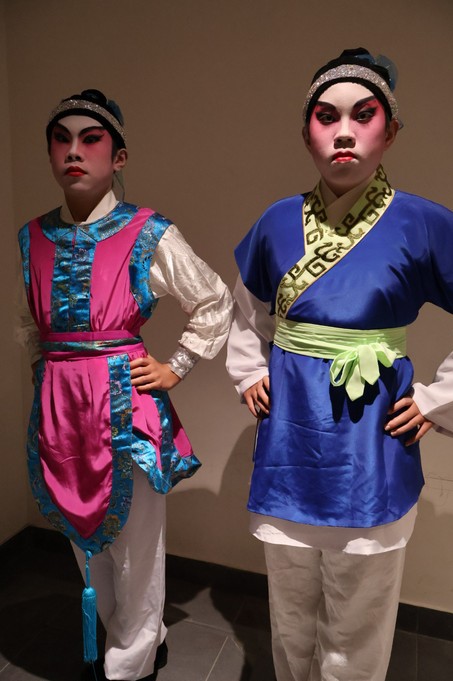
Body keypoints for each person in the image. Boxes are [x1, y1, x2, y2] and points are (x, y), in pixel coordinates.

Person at [226, 48, 453, 681]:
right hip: (291, 434)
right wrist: (249, 370)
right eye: (327, 117)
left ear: (391, 130)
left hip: (371, 439)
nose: (345, 132)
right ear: (307, 134)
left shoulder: (423, 223)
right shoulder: (277, 221)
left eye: (364, 115)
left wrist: (438, 400)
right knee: (290, 606)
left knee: (359, 614)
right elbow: (247, 310)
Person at [16, 88, 232, 681]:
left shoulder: (146, 231)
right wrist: (47, 376)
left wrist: (176, 366)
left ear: (119, 157)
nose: (74, 151)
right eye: (62, 140)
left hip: (123, 403)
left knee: (136, 545)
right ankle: (130, 637)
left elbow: (213, 299)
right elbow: (29, 323)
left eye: (91, 140)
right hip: (61, 409)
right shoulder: (32, 237)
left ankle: (128, 663)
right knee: (85, 537)